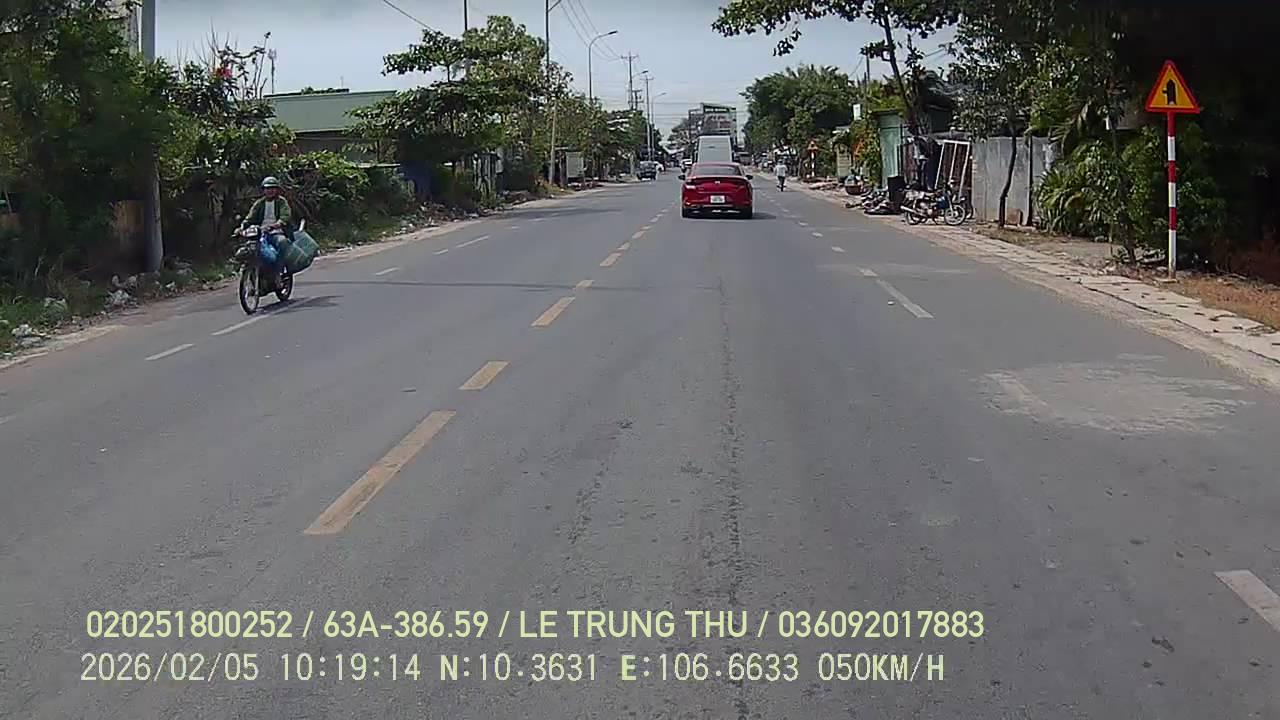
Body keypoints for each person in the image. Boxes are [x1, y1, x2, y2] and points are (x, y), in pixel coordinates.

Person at [242, 176, 293, 285]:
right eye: (267, 188)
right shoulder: (259, 203)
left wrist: (277, 224)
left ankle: (277, 273)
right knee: (250, 249)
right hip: (260, 233)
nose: (270, 191)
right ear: (263, 190)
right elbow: (249, 218)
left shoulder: (281, 202)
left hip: (276, 232)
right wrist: (241, 227)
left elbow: (285, 216)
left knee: (282, 242)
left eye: (272, 188)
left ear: (277, 190)